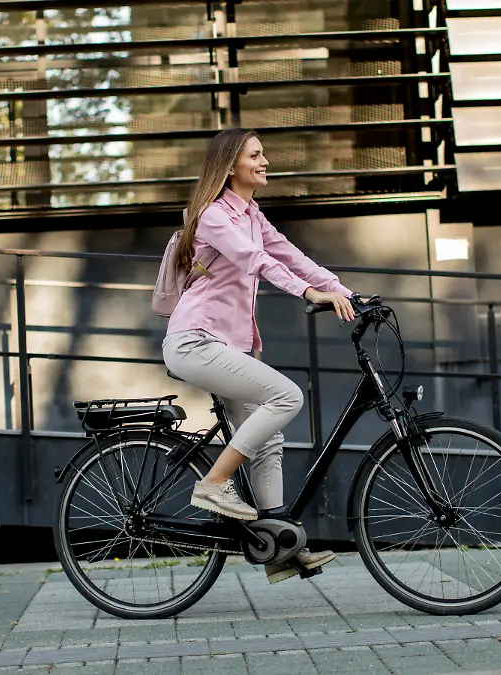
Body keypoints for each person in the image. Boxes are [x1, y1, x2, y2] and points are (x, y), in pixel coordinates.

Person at [161, 128, 356, 584]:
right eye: (256, 154)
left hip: (227, 347)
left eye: (264, 154)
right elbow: (257, 262)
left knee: (269, 440)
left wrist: (348, 293)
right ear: (231, 166)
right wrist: (308, 293)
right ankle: (212, 484)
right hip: (195, 341)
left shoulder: (252, 214)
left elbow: (292, 255)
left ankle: (278, 545)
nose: (265, 161)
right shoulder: (212, 215)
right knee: (286, 397)